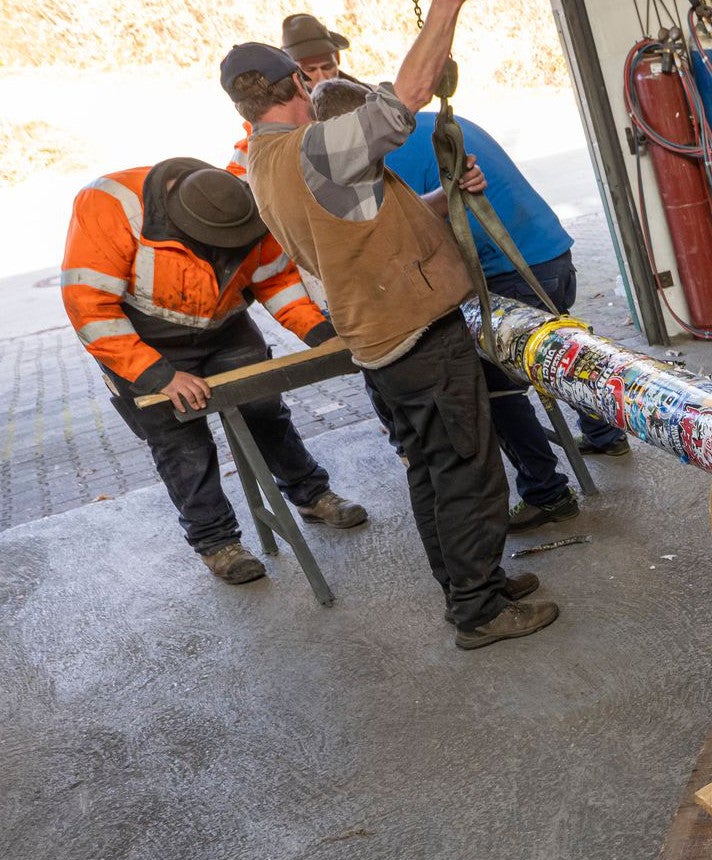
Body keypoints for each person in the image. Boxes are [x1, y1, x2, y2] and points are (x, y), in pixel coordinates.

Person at [225, 7, 560, 650]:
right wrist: (446, 9)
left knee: (433, 470)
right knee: (466, 468)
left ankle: (470, 581)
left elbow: (362, 225)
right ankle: (478, 610)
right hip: (416, 334)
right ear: (299, 83)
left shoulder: (262, 161)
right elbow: (405, 97)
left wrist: (446, 197)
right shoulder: (314, 149)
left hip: (381, 340)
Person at [308, 78, 626, 536]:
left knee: (493, 387)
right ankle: (605, 434)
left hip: (508, 271)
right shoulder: (432, 125)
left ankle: (547, 494)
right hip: (552, 255)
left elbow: (395, 230)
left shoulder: (382, 155)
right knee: (559, 350)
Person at [60, 157, 369, 584]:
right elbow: (89, 309)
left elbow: (275, 280)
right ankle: (217, 542)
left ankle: (311, 494)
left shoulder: (240, 202)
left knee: (264, 408)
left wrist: (320, 334)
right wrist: (158, 376)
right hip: (142, 340)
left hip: (224, 326)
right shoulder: (110, 205)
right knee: (181, 442)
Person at [228, 13, 362, 178]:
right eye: (310, 70)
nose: (321, 78)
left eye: (327, 67)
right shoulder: (264, 129)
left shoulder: (370, 98)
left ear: (337, 59)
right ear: (295, 76)